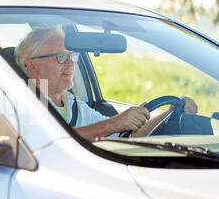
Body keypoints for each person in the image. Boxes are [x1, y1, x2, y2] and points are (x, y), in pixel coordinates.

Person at [15, 25, 198, 141]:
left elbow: (126, 134)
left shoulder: (75, 106)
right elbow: (48, 141)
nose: (71, 62)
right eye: (61, 56)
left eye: (72, 55)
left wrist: (169, 114)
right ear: (31, 65)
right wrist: (115, 123)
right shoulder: (20, 103)